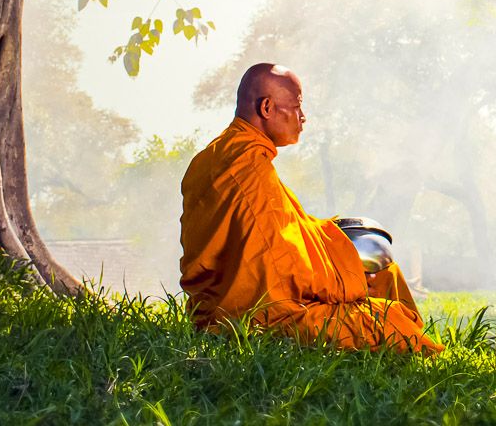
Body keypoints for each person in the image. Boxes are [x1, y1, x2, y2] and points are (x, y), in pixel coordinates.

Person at [179, 63, 439, 353]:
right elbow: (275, 264)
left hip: (214, 306)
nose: (303, 117)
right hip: (254, 318)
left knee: (378, 265)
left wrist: (334, 243)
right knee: (390, 319)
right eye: (297, 106)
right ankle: (412, 340)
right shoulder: (248, 166)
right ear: (267, 108)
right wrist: (346, 277)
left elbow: (276, 237)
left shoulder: (214, 156)